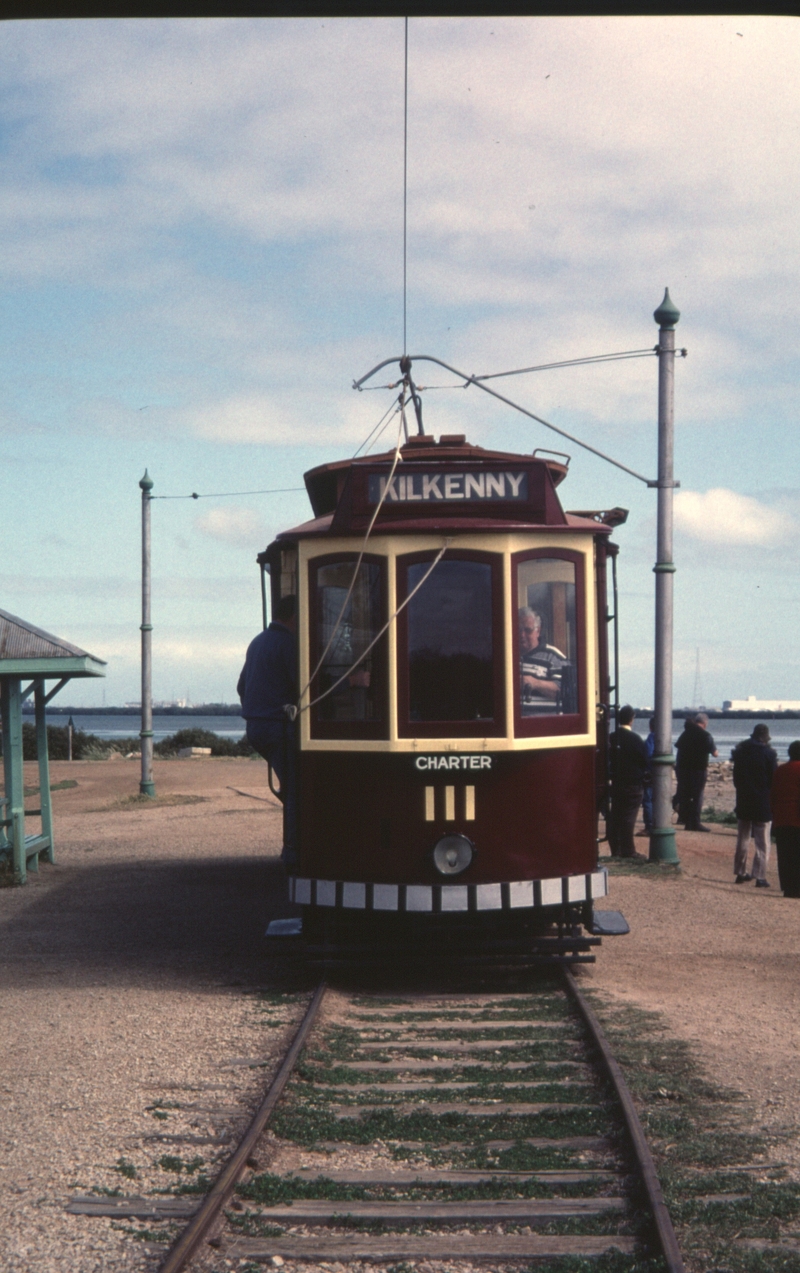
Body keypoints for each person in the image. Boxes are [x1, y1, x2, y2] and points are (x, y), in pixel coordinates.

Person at [237, 595, 298, 869]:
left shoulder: (257, 642)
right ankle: (293, 853)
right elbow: (307, 687)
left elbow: (241, 686)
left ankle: (292, 848)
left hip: (256, 726)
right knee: (298, 790)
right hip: (278, 727)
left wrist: (257, 709)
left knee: (290, 786)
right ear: (295, 617)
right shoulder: (288, 644)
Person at [731, 723, 778, 887]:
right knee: (763, 841)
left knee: (742, 838)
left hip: (744, 799)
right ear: (765, 738)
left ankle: (740, 872)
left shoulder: (741, 753)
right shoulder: (769, 754)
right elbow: (773, 779)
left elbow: (736, 779)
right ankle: (760, 876)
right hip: (762, 801)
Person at [608, 704, 649, 861]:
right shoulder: (636, 739)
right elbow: (645, 761)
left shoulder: (612, 737)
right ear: (632, 719)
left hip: (616, 782)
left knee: (615, 816)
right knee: (629, 818)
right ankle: (628, 850)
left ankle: (615, 849)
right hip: (633, 783)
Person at [675, 712, 718, 831]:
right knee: (697, 796)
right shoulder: (705, 735)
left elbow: (678, 747)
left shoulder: (686, 733)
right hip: (698, 769)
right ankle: (695, 822)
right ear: (705, 723)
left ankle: (685, 819)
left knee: (686, 795)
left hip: (683, 768)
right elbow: (715, 753)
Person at [519, 606, 566, 712]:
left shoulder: (553, 656)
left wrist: (534, 683)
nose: (522, 635)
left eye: (527, 630)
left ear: (538, 631)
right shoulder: (506, 656)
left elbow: (565, 692)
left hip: (544, 725)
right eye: (518, 630)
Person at [771, 741, 800, 898]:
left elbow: (773, 794)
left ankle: (789, 887)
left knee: (785, 855)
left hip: (782, 817)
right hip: (796, 817)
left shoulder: (780, 770)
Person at [638, 716, 656, 836]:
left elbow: (649, 754)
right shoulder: (665, 738)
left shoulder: (651, 737)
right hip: (661, 774)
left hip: (650, 774)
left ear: (650, 727)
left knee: (648, 800)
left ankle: (649, 826)